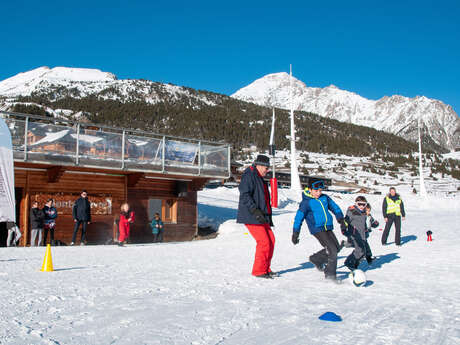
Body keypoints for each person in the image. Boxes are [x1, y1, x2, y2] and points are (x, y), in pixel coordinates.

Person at [292, 179, 346, 282]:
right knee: (332, 250)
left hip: (328, 227)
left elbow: (335, 207)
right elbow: (298, 218)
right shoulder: (306, 202)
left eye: (320, 190)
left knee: (336, 248)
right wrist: (295, 232)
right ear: (310, 189)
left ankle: (316, 259)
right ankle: (330, 275)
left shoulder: (325, 198)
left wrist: (340, 218)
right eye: (316, 191)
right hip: (317, 229)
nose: (319, 193)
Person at [237, 154, 276, 279]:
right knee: (264, 242)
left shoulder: (259, 177)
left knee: (271, 240)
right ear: (259, 165)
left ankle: (265, 268)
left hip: (261, 215)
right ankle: (259, 271)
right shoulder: (249, 175)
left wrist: (267, 217)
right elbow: (244, 195)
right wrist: (255, 211)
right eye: (266, 167)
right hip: (252, 215)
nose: (267, 170)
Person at [343, 196, 377, 271]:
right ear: (356, 204)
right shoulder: (352, 211)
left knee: (363, 251)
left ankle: (355, 264)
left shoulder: (365, 213)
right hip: (354, 234)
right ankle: (349, 262)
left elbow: (371, 221)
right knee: (360, 250)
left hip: (363, 235)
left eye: (363, 205)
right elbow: (346, 220)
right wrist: (343, 228)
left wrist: (375, 223)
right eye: (359, 204)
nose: (361, 206)